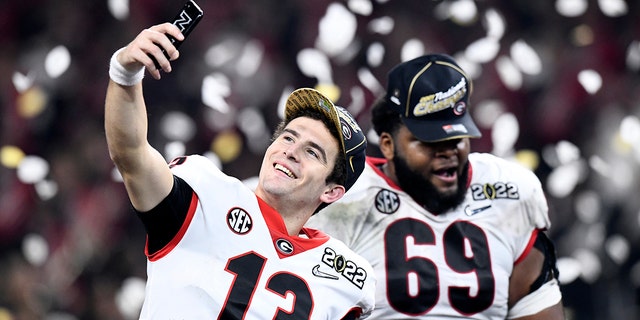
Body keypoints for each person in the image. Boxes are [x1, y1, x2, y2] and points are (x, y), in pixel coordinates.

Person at [104, 22, 375, 319]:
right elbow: (131, 154)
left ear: (331, 191)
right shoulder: (207, 194)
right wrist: (124, 73)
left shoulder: (348, 280)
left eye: (312, 151)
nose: (291, 151)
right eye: (288, 137)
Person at [306, 54, 565, 319]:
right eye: (430, 141)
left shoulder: (509, 190)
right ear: (388, 145)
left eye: (456, 138)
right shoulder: (340, 197)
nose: (448, 152)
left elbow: (536, 306)